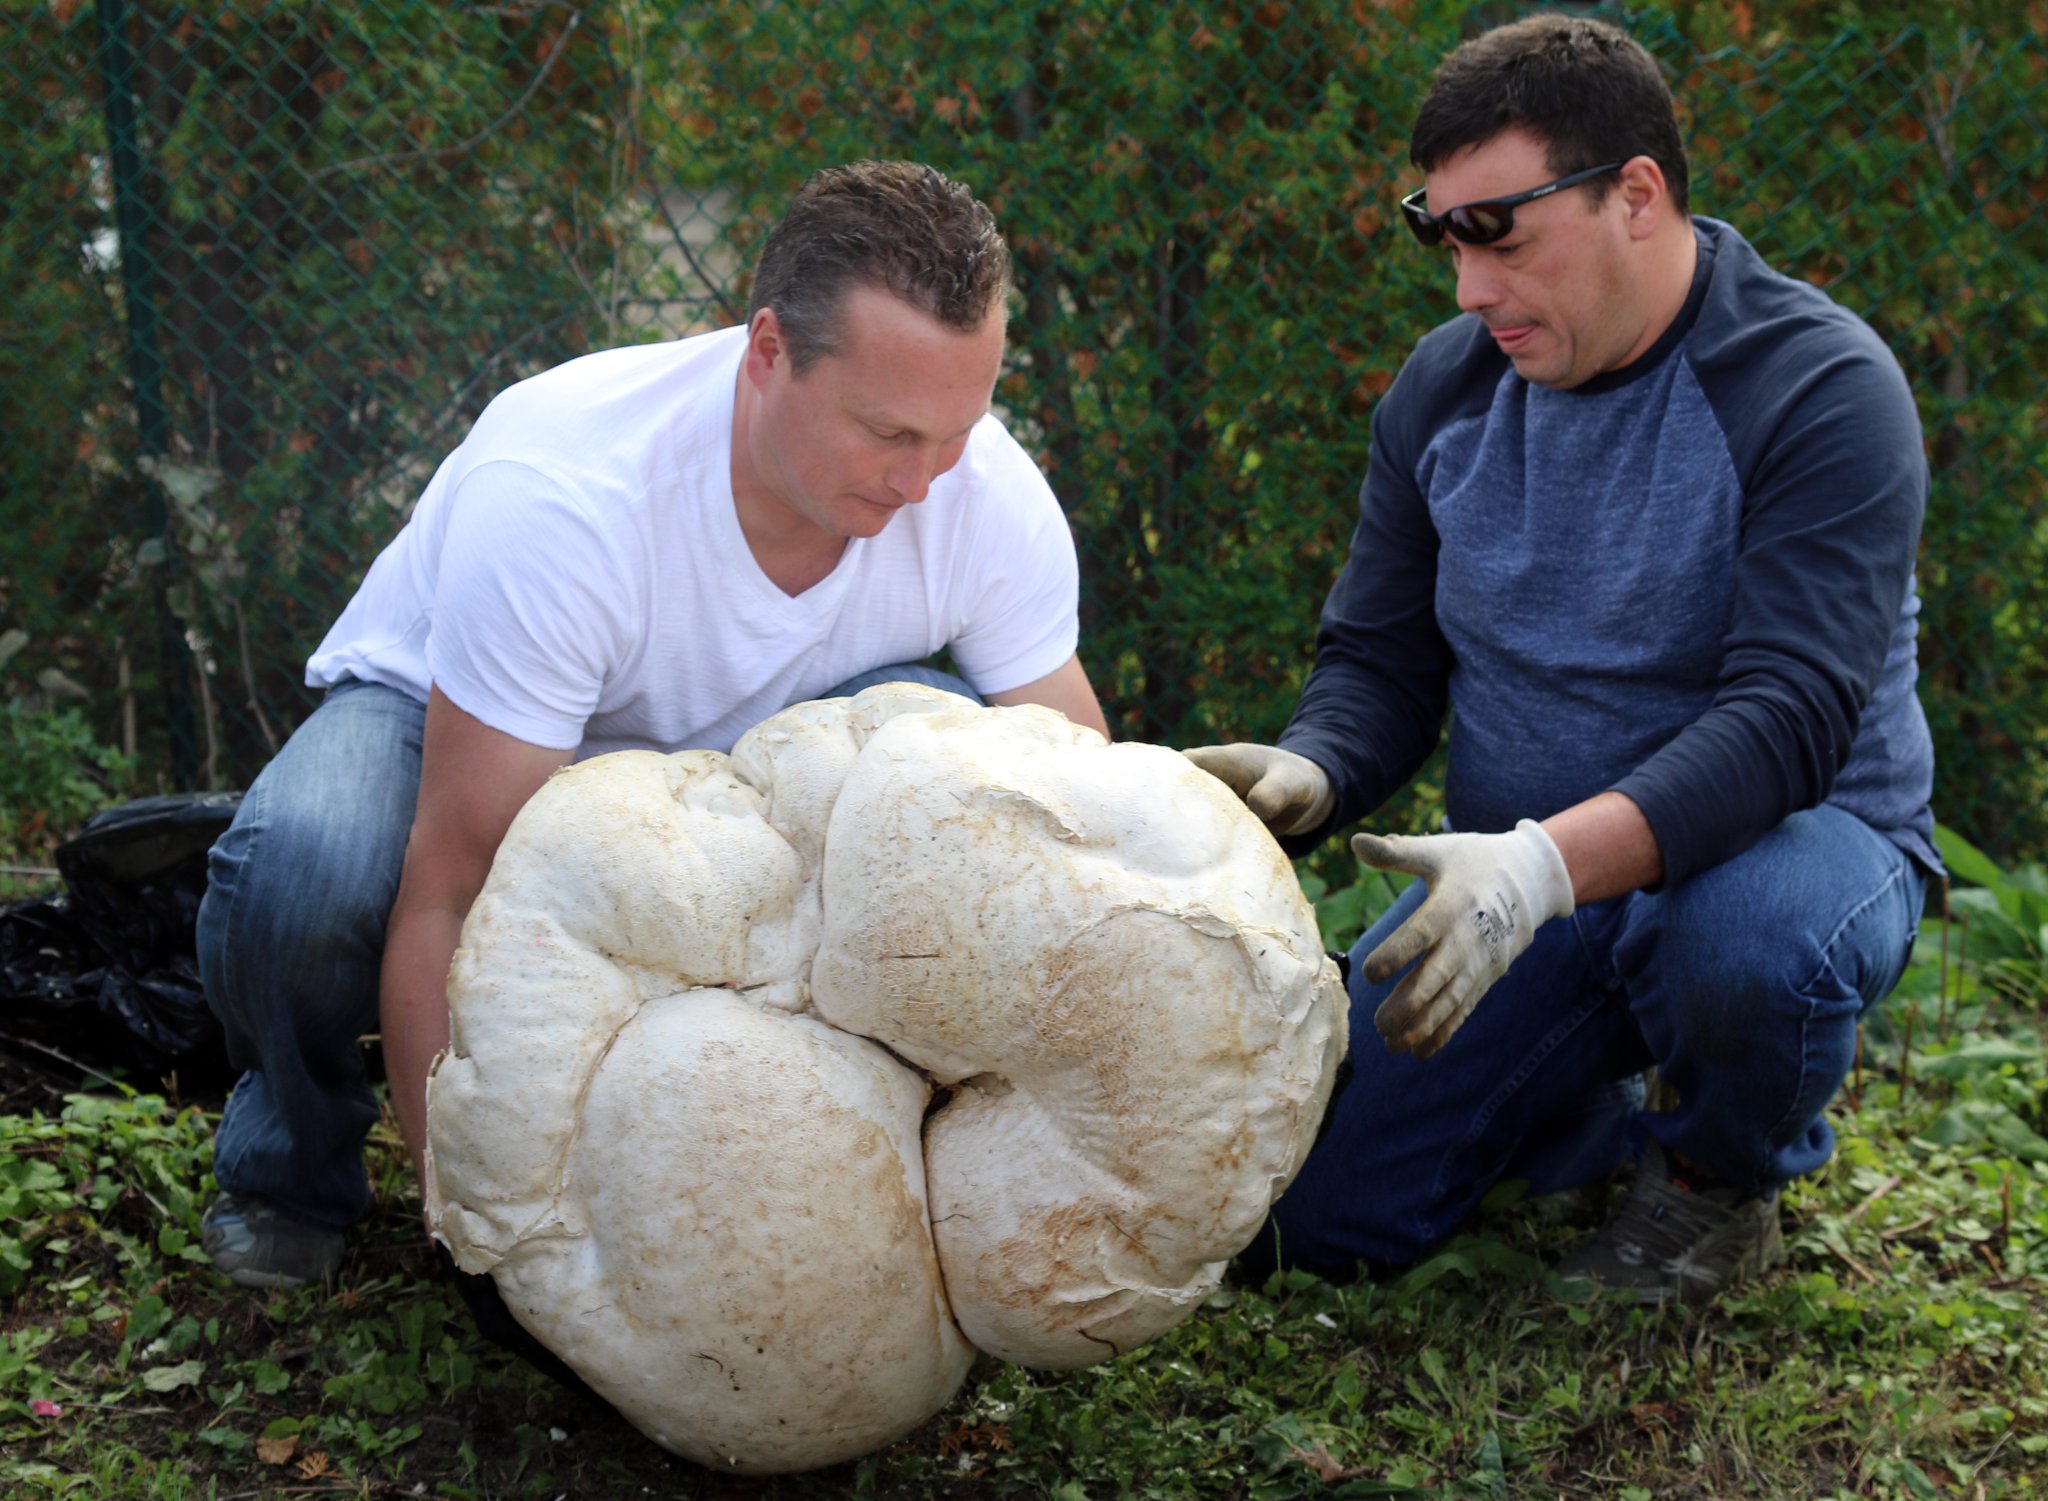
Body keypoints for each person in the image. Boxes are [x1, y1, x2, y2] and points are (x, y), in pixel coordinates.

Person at [197, 159, 1108, 1291]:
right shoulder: (567, 491)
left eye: (957, 430)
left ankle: (867, 1185)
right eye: (887, 434)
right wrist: (472, 1237)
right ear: (766, 351)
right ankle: (291, 1167)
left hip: (745, 764)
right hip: (462, 726)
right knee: (306, 873)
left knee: (991, 778)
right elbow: (453, 885)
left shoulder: (981, 495)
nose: (925, 482)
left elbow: (1080, 803)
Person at [1189, 15, 1936, 1306]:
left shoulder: (1816, 387)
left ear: (1634, 195)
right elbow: (1381, 656)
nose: (1470, 290)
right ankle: (1589, 1108)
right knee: (1308, 1228)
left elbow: (1791, 718)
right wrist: (1315, 769)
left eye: (1503, 236)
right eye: (1446, 235)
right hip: (1517, 896)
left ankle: (1712, 1182)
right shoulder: (1445, 390)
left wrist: (1542, 867)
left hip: (1779, 854)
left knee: (1751, 946)